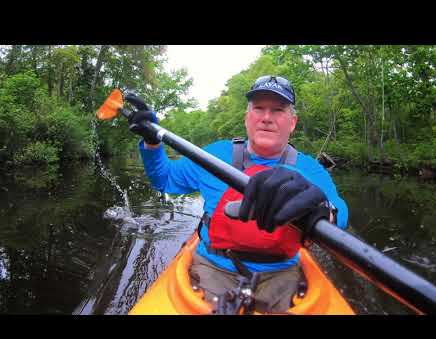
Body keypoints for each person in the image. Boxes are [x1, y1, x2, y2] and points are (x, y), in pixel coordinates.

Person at [126, 75, 349, 313]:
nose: (266, 118)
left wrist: (324, 210)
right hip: (213, 266)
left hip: (281, 271)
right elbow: (165, 179)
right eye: (259, 108)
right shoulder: (214, 155)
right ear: (247, 118)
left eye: (277, 110)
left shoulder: (309, 169)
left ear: (292, 122)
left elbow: (339, 213)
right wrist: (152, 143)